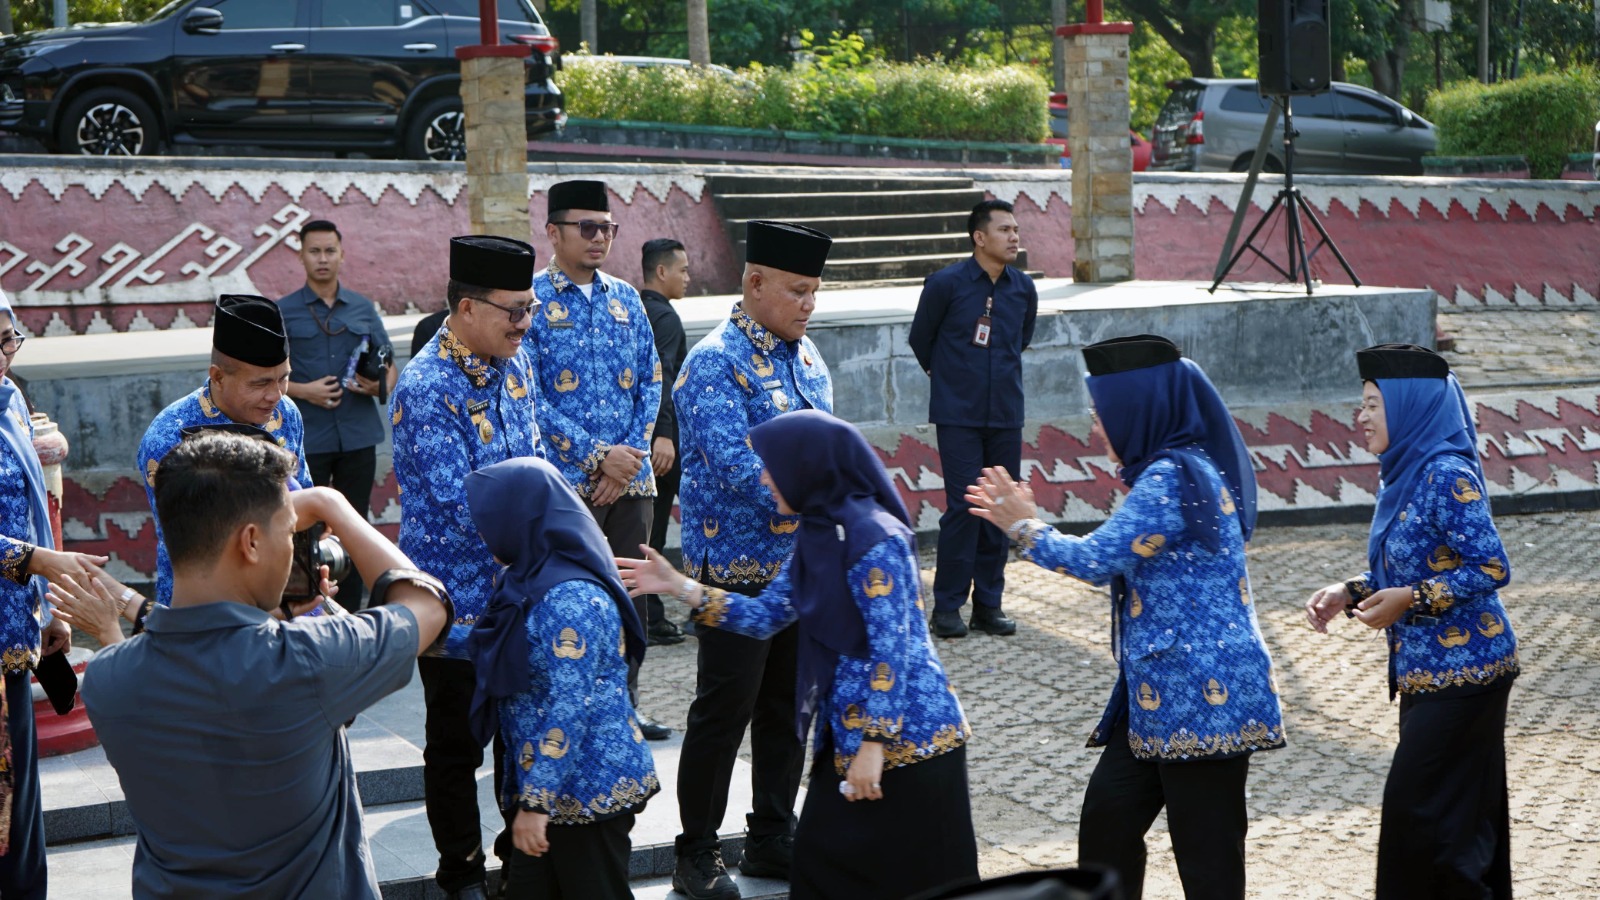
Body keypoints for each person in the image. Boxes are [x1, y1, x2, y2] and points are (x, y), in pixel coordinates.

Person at [966, 335, 1285, 900]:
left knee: (1207, 860)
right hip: (1157, 695)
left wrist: (1023, 527)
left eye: (1102, 413)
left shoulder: (1171, 478)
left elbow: (1095, 559)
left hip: (1202, 696)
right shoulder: (1179, 469)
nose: (1096, 428)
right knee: (1108, 825)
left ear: (1138, 411)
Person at [618, 410, 978, 900]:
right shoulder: (816, 535)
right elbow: (766, 615)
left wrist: (875, 743)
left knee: (925, 881)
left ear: (807, 468)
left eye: (772, 465)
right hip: (850, 742)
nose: (764, 477)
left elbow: (895, 651)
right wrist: (680, 586)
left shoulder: (877, 537)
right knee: (821, 870)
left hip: (910, 746)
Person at [81, 431, 453, 898]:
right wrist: (333, 504)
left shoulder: (108, 680)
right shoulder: (308, 658)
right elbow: (429, 605)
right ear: (251, 542)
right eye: (289, 529)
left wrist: (271, 611)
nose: (293, 547)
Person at [1304, 343, 1517, 900]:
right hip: (1425, 673)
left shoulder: (1446, 473)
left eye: (1374, 404)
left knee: (1423, 821)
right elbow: (1414, 561)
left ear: (1410, 406)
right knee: (1455, 822)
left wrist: (1411, 599)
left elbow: (1491, 567)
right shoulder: (1406, 471)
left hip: (1469, 673)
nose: (1362, 416)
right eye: (1363, 404)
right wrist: (1351, 589)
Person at [670, 220, 835, 899]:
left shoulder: (810, 358)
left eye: (816, 293)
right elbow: (740, 466)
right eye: (798, 291)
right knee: (723, 711)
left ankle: (771, 835)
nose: (808, 305)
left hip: (799, 573)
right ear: (755, 282)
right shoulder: (715, 363)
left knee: (787, 710)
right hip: (736, 574)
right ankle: (696, 852)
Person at [392, 234, 543, 900]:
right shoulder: (427, 386)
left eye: (530, 309)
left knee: (520, 737)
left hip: (520, 597)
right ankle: (460, 871)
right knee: (455, 747)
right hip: (453, 608)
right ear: (466, 307)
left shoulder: (517, 362)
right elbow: (464, 504)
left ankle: (519, 864)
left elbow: (540, 465)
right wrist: (547, 529)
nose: (524, 323)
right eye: (513, 310)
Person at [458, 458, 657, 899]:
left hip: (587, 792)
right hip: (548, 787)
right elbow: (501, 638)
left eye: (488, 518)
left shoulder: (571, 598)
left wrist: (535, 803)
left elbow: (569, 708)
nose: (482, 530)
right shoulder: (527, 577)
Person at [527, 180, 668, 740]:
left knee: (630, 597)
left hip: (630, 485)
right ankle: (566, 716)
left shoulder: (626, 297)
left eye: (606, 228)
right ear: (553, 232)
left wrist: (626, 461)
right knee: (569, 603)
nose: (598, 239)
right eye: (586, 227)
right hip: (567, 486)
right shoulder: (531, 301)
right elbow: (530, 396)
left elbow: (652, 380)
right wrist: (595, 459)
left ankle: (624, 709)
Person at [0, 289, 97, 898]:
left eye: (7, 340)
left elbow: (34, 506)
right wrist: (39, 560)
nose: (2, 357)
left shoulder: (9, 398)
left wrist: (47, 605)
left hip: (14, 630)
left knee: (21, 805)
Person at [908, 198, 1038, 639]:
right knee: (964, 508)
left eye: (1016, 229)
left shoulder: (1023, 288)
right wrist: (950, 378)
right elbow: (920, 338)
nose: (1014, 236)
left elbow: (1022, 339)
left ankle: (989, 605)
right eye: (1004, 230)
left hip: (1005, 413)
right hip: (958, 414)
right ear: (979, 238)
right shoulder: (945, 284)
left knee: (1000, 508)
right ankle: (947, 609)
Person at [138, 294, 312, 607]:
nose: (275, 395)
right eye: (260, 384)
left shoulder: (286, 413)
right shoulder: (169, 435)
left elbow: (304, 502)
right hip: (201, 612)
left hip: (284, 596)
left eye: (283, 379)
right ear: (217, 376)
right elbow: (189, 546)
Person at [278, 219, 397, 610]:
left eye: (330, 251)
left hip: (358, 434)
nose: (323, 259)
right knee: (304, 527)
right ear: (301, 256)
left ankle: (353, 612)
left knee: (355, 525)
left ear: (342, 255)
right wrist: (304, 391)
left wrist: (375, 385)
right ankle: (312, 605)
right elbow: (269, 379)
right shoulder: (284, 311)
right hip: (307, 438)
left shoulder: (362, 308)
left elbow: (389, 368)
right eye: (315, 251)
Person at [639, 237, 691, 646]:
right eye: (683, 270)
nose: (688, 278)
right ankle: (650, 617)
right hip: (659, 443)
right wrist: (665, 435)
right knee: (651, 534)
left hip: (632, 440)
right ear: (661, 272)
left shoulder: (634, 310)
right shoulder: (666, 319)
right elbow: (663, 379)